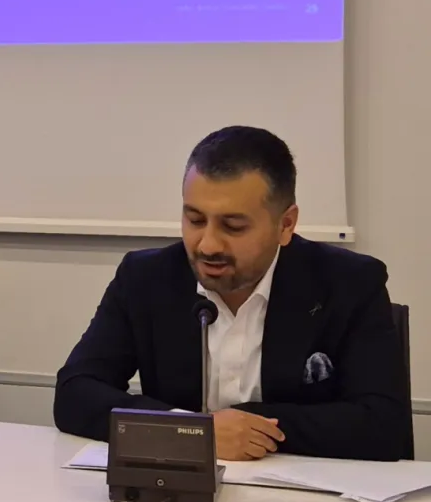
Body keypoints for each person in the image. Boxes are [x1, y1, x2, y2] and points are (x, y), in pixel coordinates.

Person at [54, 126, 406, 462]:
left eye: (233, 226)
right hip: (178, 494)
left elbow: (384, 424)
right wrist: (191, 431)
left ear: (285, 225)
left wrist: (248, 429)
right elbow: (75, 392)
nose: (208, 245)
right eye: (195, 220)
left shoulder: (348, 283)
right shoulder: (146, 278)